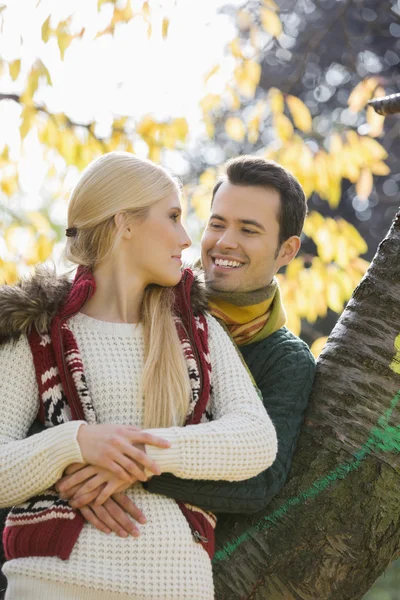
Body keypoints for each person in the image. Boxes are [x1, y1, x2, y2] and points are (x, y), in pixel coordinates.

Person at [0, 152, 278, 600]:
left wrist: (135, 458)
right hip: (49, 587)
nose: (187, 238)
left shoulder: (197, 328)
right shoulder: (38, 328)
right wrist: (76, 442)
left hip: (176, 587)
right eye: (172, 217)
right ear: (125, 223)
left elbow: (256, 440)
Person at [56, 155, 316, 537]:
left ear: (287, 251)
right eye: (217, 224)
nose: (225, 242)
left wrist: (123, 470)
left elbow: (260, 482)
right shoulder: (136, 304)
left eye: (249, 230)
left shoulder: (286, 360)